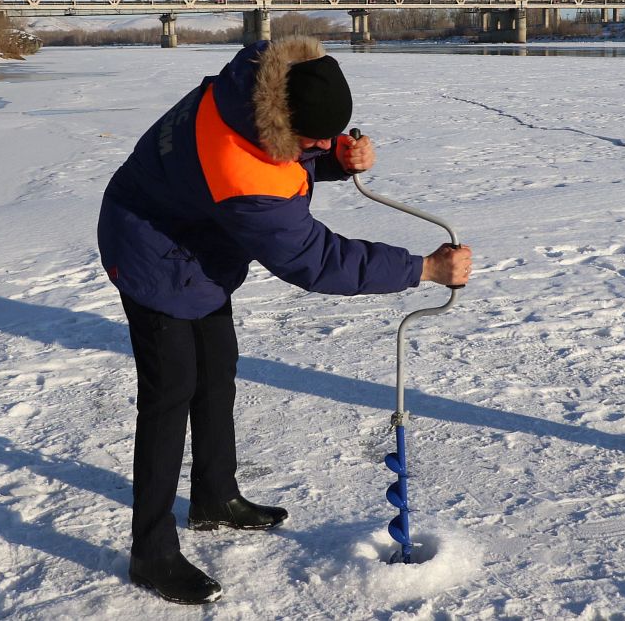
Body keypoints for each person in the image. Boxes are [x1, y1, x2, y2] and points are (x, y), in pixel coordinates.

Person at [97, 36, 472, 604]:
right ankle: (151, 551)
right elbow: (316, 259)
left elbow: (287, 149)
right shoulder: (243, 172)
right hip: (152, 249)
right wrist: (422, 268)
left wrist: (334, 159)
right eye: (314, 139)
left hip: (198, 241)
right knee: (171, 391)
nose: (322, 144)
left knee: (217, 367)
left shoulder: (257, 83)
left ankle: (215, 497)